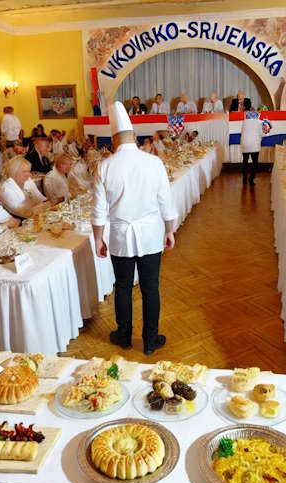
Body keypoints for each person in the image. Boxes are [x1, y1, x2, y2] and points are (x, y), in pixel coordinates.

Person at [93, 101, 176, 355]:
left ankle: (124, 336)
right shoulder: (153, 163)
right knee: (151, 287)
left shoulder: (104, 166)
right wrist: (169, 231)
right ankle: (150, 340)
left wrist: (98, 239)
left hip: (120, 236)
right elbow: (167, 204)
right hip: (150, 235)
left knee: (123, 286)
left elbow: (98, 211)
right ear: (135, 137)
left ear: (114, 139)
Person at [241, 107, 270, 185]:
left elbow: (242, 132)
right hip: (254, 144)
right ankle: (251, 179)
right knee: (255, 163)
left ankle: (244, 180)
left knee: (245, 161)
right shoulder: (259, 122)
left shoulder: (244, 122)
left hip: (245, 143)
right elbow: (262, 134)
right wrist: (266, 130)